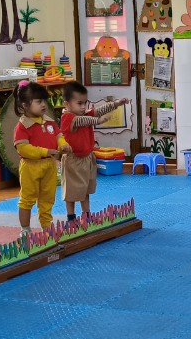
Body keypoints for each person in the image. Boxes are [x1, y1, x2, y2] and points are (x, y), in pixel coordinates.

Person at [58, 82, 123, 223]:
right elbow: (82, 121)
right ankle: (71, 217)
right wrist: (97, 121)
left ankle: (86, 214)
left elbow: (99, 110)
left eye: (85, 103)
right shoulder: (67, 118)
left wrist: (116, 104)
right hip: (73, 160)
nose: (83, 107)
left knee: (85, 189)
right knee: (71, 191)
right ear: (67, 104)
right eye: (79, 103)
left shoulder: (84, 113)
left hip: (87, 158)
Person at [13, 81, 60, 234]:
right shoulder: (22, 126)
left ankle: (46, 226)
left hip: (49, 165)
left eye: (44, 100)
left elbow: (58, 135)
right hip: (30, 167)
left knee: (48, 197)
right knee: (27, 199)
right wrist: (44, 151)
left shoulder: (49, 121)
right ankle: (25, 229)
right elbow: (23, 148)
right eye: (39, 101)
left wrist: (63, 144)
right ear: (25, 105)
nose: (44, 104)